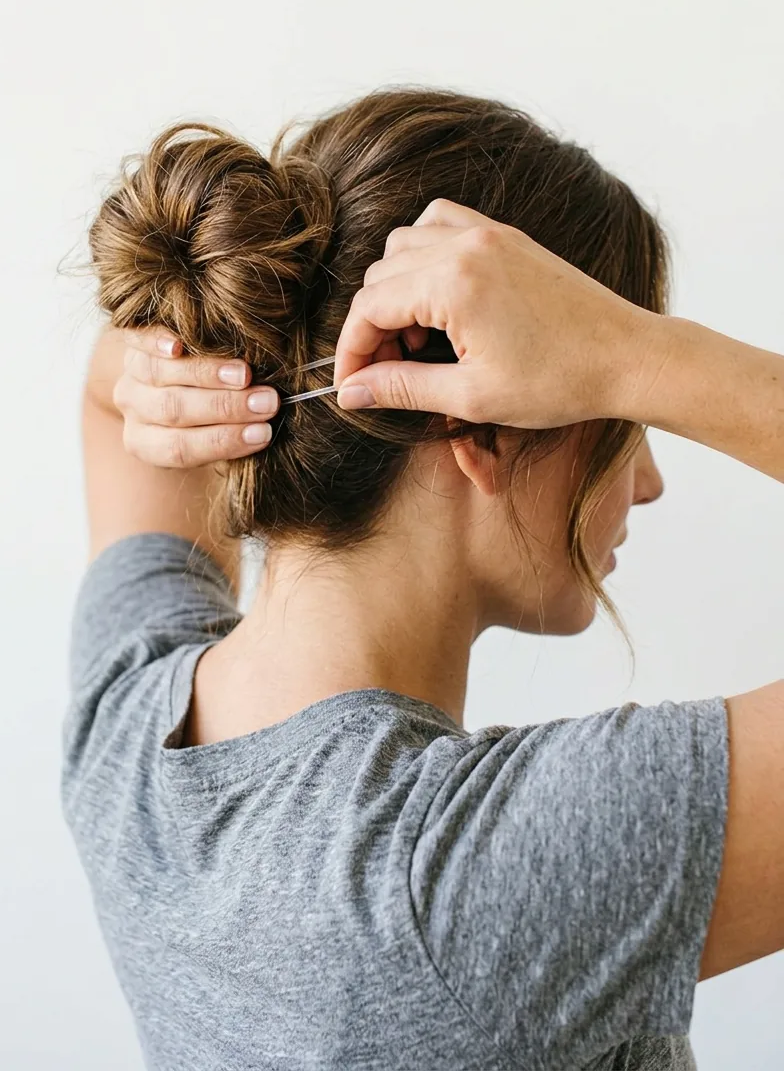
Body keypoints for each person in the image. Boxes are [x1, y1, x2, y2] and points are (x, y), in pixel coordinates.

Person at [67, 87, 783, 1071]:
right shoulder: (463, 879)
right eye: (622, 420)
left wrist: (144, 368)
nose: (650, 481)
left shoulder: (127, 730)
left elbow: (116, 411)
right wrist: (637, 352)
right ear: (482, 424)